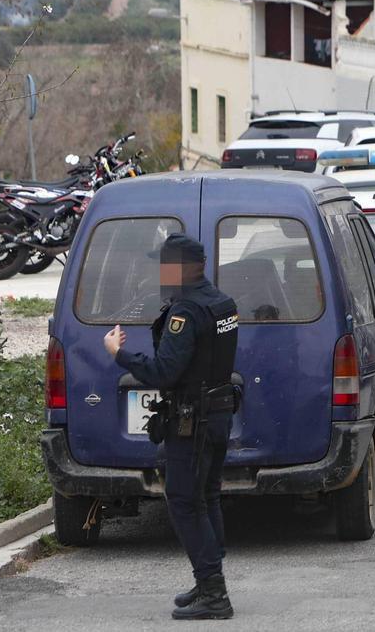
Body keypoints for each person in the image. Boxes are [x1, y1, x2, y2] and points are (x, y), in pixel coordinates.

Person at [102, 234, 240, 620]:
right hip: (217, 413)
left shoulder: (187, 312)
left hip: (192, 421)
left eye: (165, 263)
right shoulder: (221, 303)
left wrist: (119, 354)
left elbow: (164, 371)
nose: (161, 271)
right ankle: (208, 579)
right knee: (207, 496)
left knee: (183, 500)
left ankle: (214, 593)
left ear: (184, 267)